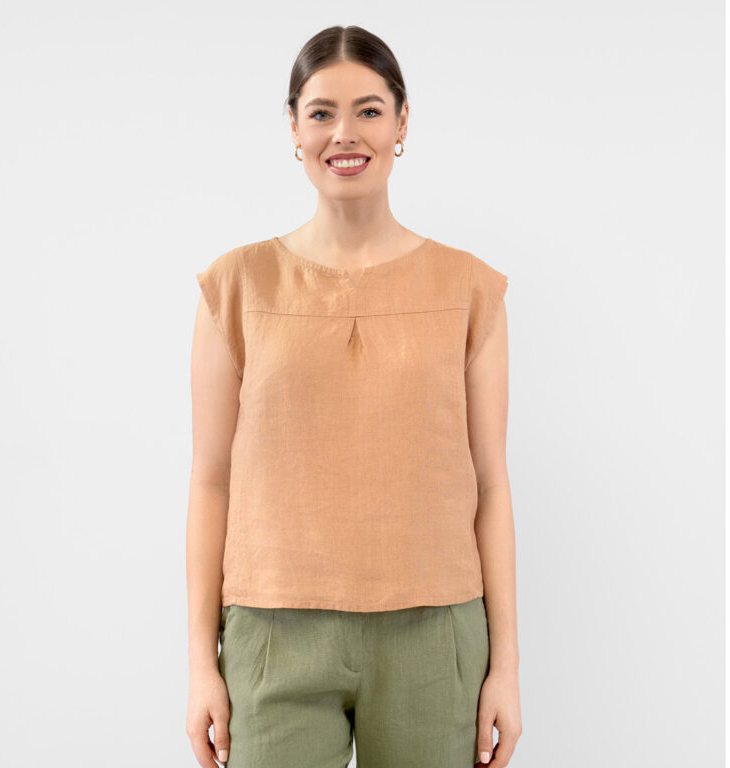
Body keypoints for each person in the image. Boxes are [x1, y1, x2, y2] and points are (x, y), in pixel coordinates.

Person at [186, 24, 522, 768]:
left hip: (436, 634)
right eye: (322, 112)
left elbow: (492, 484)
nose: (345, 133)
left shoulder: (470, 290)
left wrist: (506, 667)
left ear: (402, 123)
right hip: (271, 634)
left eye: (369, 110)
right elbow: (210, 481)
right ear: (294, 127)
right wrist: (200, 664)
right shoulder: (235, 288)